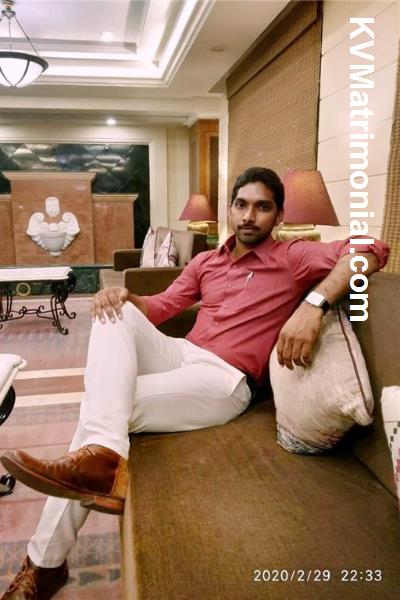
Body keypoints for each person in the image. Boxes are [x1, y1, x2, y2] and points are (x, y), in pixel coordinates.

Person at [0, 167, 389, 599]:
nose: (249, 216)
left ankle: (44, 564)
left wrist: (314, 304)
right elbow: (163, 306)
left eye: (262, 207)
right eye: (241, 205)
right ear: (230, 210)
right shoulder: (208, 261)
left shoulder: (293, 257)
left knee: (100, 406)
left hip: (223, 379)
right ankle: (101, 462)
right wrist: (125, 297)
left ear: (279, 216)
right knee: (115, 313)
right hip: (182, 353)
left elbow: (370, 248)